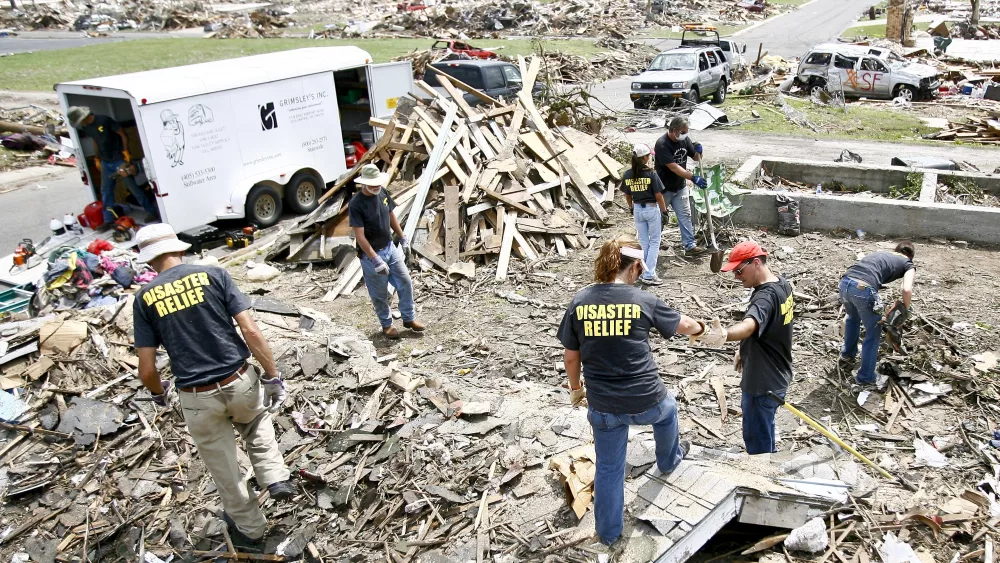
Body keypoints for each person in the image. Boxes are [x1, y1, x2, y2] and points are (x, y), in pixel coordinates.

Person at [132, 224, 295, 550]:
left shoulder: (144, 299)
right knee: (256, 421)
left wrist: (158, 394)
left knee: (225, 469)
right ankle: (275, 476)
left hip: (197, 397)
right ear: (179, 248)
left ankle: (252, 530)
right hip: (238, 381)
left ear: (149, 261)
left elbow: (147, 369)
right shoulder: (214, 275)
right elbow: (250, 331)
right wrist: (272, 375)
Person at [557, 237, 707, 545]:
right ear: (636, 266)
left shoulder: (580, 301)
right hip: (647, 399)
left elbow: (571, 355)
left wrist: (576, 389)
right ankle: (668, 461)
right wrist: (704, 330)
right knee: (668, 412)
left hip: (604, 407)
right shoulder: (642, 300)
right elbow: (687, 324)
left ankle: (609, 535)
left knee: (609, 469)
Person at [693, 241, 794, 455]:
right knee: (766, 427)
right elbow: (768, 327)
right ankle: (769, 456)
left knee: (757, 440)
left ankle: (761, 479)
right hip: (778, 374)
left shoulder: (764, 297)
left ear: (756, 262)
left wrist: (723, 335)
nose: (736, 277)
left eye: (739, 271)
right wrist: (744, 349)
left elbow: (750, 325)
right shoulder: (782, 285)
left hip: (762, 383)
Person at [348, 163, 425, 339]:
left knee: (405, 281)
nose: (376, 186)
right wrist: (375, 259)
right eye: (372, 184)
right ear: (364, 183)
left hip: (390, 247)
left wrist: (402, 237)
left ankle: (408, 318)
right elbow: (360, 236)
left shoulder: (382, 192)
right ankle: (387, 325)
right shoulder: (356, 204)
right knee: (380, 293)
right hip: (371, 256)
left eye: (378, 183)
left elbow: (391, 215)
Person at [839, 241, 916, 385]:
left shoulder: (882, 253)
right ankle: (866, 377)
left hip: (845, 283)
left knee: (852, 319)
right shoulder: (908, 264)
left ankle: (847, 354)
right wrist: (905, 309)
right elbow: (906, 289)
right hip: (863, 289)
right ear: (910, 256)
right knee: (873, 332)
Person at [66, 106, 159, 223]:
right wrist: (97, 158)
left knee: (133, 188)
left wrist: (125, 151)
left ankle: (152, 212)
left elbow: (122, 134)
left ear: (84, 116)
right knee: (106, 191)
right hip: (106, 162)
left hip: (118, 159)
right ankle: (108, 220)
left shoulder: (104, 120)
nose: (80, 123)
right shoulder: (86, 126)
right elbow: (95, 140)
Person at [654, 116, 707, 257]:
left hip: (680, 186)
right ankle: (654, 243)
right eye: (683, 132)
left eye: (686, 131)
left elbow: (696, 158)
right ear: (674, 130)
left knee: (685, 216)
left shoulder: (684, 140)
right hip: (664, 189)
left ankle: (689, 246)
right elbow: (674, 168)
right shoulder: (662, 144)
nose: (685, 134)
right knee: (660, 218)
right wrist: (693, 177)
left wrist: (699, 151)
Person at [620, 143, 669, 285]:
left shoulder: (628, 174)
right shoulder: (651, 173)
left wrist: (631, 208)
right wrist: (664, 211)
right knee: (654, 241)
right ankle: (649, 274)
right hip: (651, 209)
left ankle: (643, 271)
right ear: (645, 158)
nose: (649, 158)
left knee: (644, 242)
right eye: (648, 155)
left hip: (637, 209)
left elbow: (627, 195)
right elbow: (659, 196)